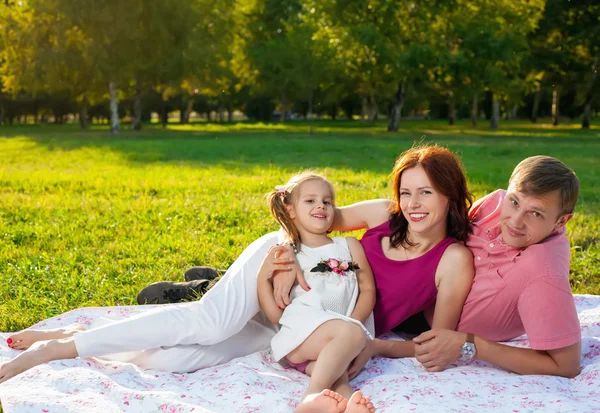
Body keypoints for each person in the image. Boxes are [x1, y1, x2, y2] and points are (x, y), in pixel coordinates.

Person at [1, 144, 476, 387]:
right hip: (286, 261)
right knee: (210, 321)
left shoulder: (452, 260)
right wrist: (281, 266)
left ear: (450, 193)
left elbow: (437, 341)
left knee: (184, 357)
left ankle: (88, 345)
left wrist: (364, 343)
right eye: (406, 191)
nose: (412, 204)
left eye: (426, 192)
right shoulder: (381, 215)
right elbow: (315, 220)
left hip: (305, 326)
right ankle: (55, 349)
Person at [135, 153, 583, 378]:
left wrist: (466, 345)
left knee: (221, 342)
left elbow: (563, 364)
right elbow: (319, 220)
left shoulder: (528, 270)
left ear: (560, 221)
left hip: (355, 311)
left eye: (535, 215)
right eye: (515, 203)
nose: (515, 220)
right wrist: (287, 254)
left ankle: (212, 284)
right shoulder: (489, 206)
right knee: (218, 317)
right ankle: (207, 286)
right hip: (311, 272)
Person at [257, 172, 377, 412]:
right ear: (290, 209)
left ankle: (346, 403)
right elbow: (275, 315)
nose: (321, 205)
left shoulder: (349, 245)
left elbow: (367, 289)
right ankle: (309, 398)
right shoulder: (289, 253)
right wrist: (263, 276)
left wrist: (351, 325)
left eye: (327, 201)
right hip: (300, 338)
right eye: (310, 200)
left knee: (338, 375)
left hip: (326, 348)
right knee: (353, 337)